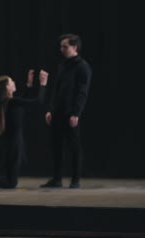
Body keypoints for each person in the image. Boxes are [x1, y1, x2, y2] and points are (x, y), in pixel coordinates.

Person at [41, 33, 92, 189]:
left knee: (74, 146)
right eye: (61, 46)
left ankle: (75, 179)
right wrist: (50, 109)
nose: (61, 49)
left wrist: (76, 113)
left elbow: (82, 92)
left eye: (65, 46)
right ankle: (57, 179)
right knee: (56, 146)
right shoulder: (63, 64)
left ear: (74, 47)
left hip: (71, 113)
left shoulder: (83, 66)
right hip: (58, 112)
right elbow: (56, 89)